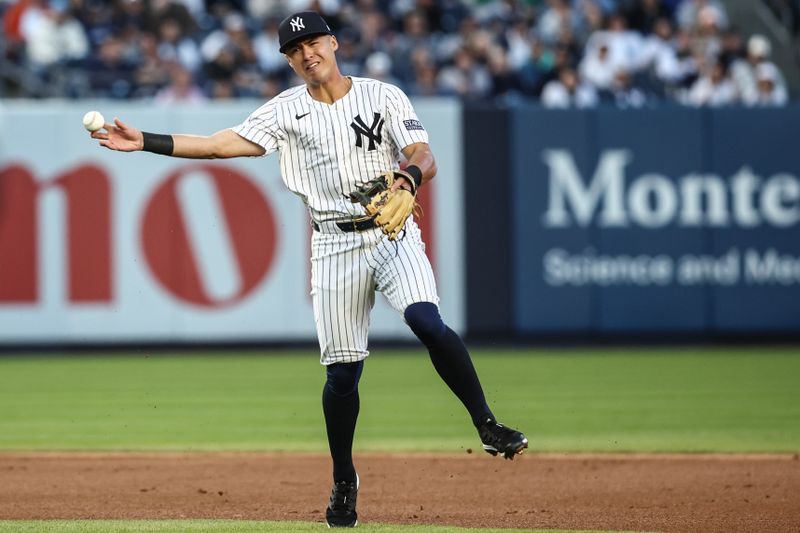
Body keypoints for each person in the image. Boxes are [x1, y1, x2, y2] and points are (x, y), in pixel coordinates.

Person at [89, 10, 527, 529]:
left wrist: (408, 181)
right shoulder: (285, 111)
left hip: (390, 228)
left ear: (334, 43)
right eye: (295, 49)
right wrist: (146, 142)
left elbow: (424, 155)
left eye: (314, 42)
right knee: (342, 376)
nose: (307, 54)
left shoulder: (382, 96)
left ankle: (487, 424)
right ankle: (345, 480)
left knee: (425, 320)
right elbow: (217, 144)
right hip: (333, 245)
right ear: (289, 60)